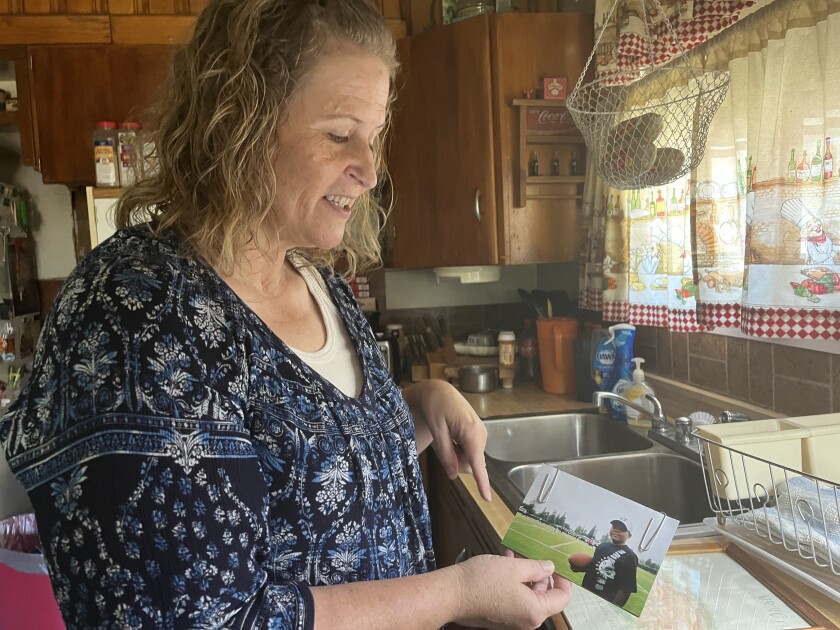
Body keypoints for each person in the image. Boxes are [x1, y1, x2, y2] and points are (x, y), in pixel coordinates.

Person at [0, 0, 572, 627]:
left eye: (373, 137)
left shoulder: (313, 278)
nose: (371, 169)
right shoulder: (137, 315)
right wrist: (457, 595)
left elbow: (299, 470)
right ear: (238, 121)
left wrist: (415, 404)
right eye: (338, 134)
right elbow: (203, 618)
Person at [577, 518, 638, 606]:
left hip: (603, 603)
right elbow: (594, 569)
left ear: (629, 535)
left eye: (622, 529)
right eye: (614, 526)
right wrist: (578, 566)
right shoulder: (602, 546)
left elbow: (625, 589)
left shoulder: (630, 556)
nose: (616, 530)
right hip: (583, 594)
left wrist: (614, 609)